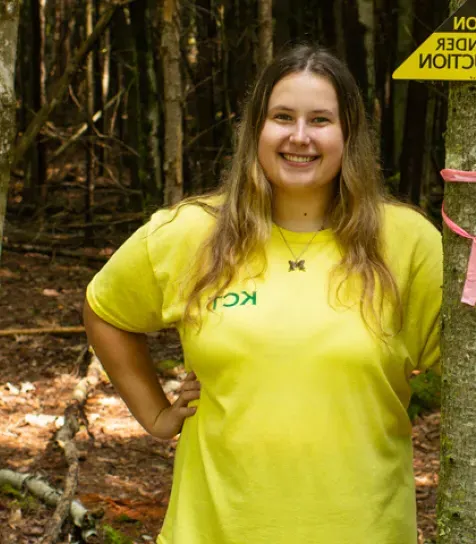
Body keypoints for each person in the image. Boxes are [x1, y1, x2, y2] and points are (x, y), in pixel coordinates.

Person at [83, 44, 442, 544]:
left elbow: (472, 373)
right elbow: (106, 310)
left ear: (349, 135)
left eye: (320, 120)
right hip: (212, 531)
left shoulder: (407, 242)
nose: (299, 137)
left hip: (363, 530)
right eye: (282, 117)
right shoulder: (191, 233)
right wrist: (157, 414)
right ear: (256, 130)